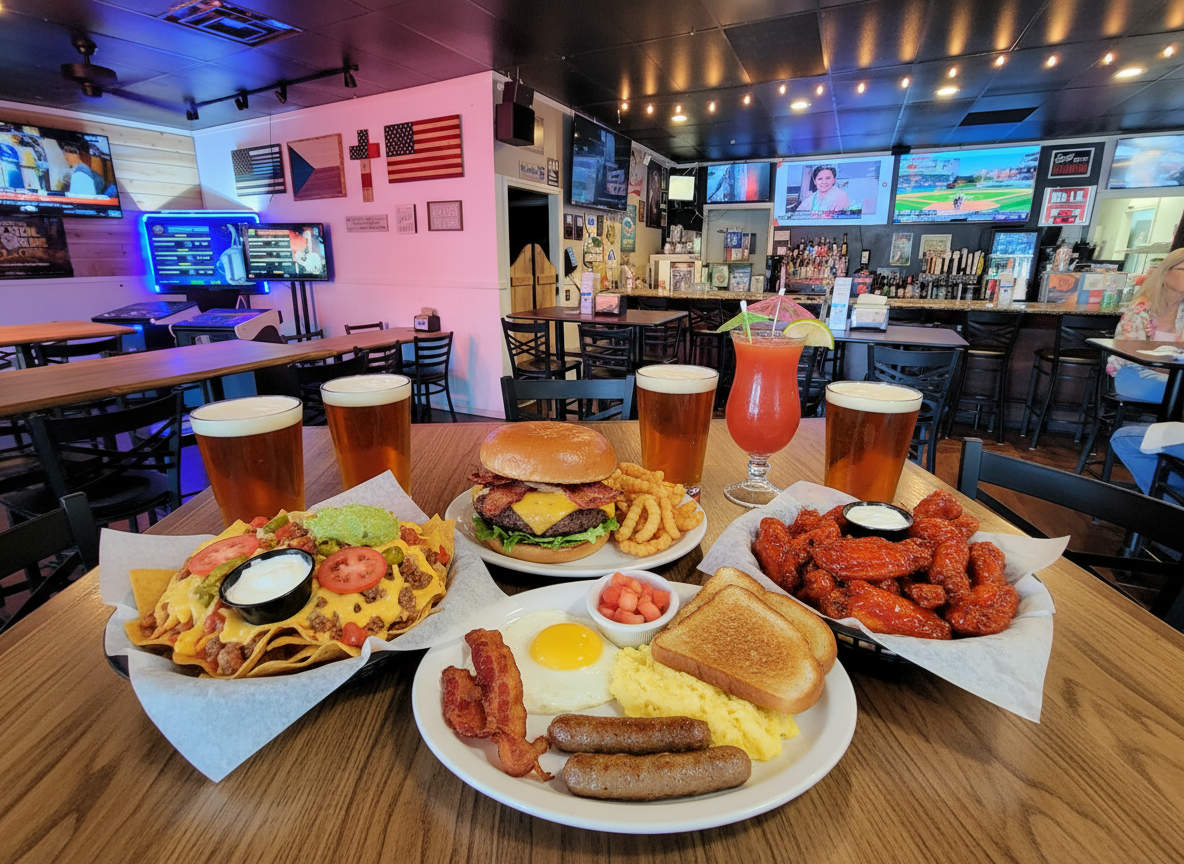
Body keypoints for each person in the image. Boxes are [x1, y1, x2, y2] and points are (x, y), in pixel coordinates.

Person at [1105, 248, 1184, 494]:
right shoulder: (1141, 308)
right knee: (1177, 390)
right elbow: (1132, 353)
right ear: (1165, 273)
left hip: (1173, 376)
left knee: (1178, 389)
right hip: (1134, 374)